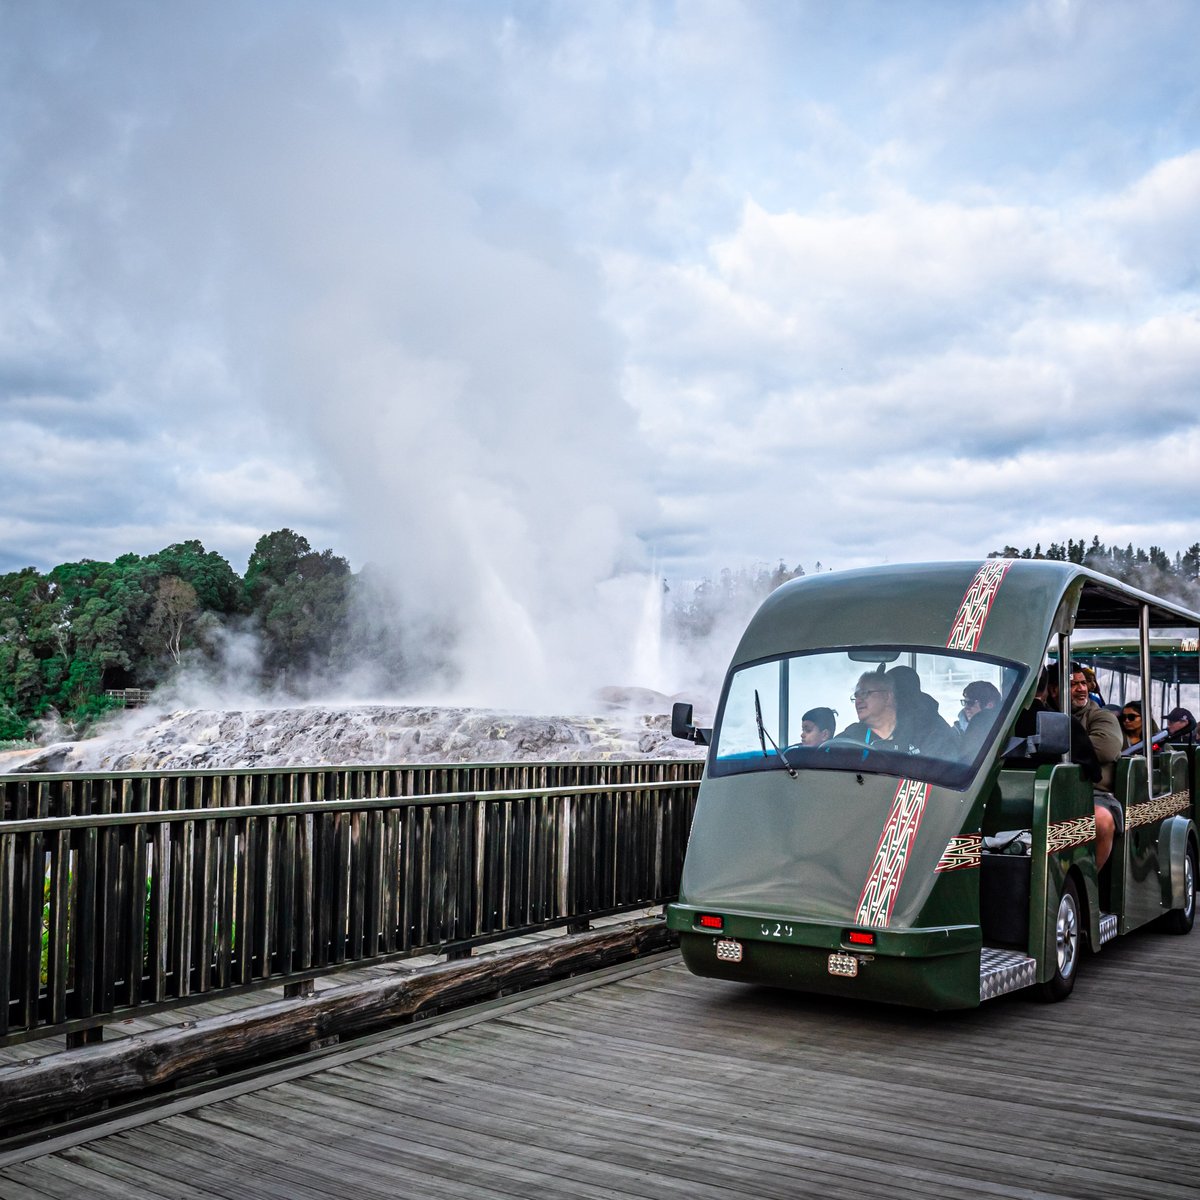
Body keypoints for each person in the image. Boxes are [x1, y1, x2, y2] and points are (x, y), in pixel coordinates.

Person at [1065, 663, 1123, 870]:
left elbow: (1106, 749)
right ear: (1055, 689)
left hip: (1096, 793)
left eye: (1083, 683)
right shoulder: (1047, 714)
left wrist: (1055, 746)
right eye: (1073, 684)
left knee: (1101, 819)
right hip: (1059, 791)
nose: (1081, 689)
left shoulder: (1101, 716)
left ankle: (1090, 880)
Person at [838, 671, 903, 750]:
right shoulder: (849, 739)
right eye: (856, 696)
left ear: (887, 697)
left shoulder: (914, 732)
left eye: (864, 693)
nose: (858, 701)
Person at [959, 680, 1002, 753]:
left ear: (990, 705)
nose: (966, 708)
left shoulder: (999, 733)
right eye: (965, 702)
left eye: (970, 703)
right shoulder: (957, 731)